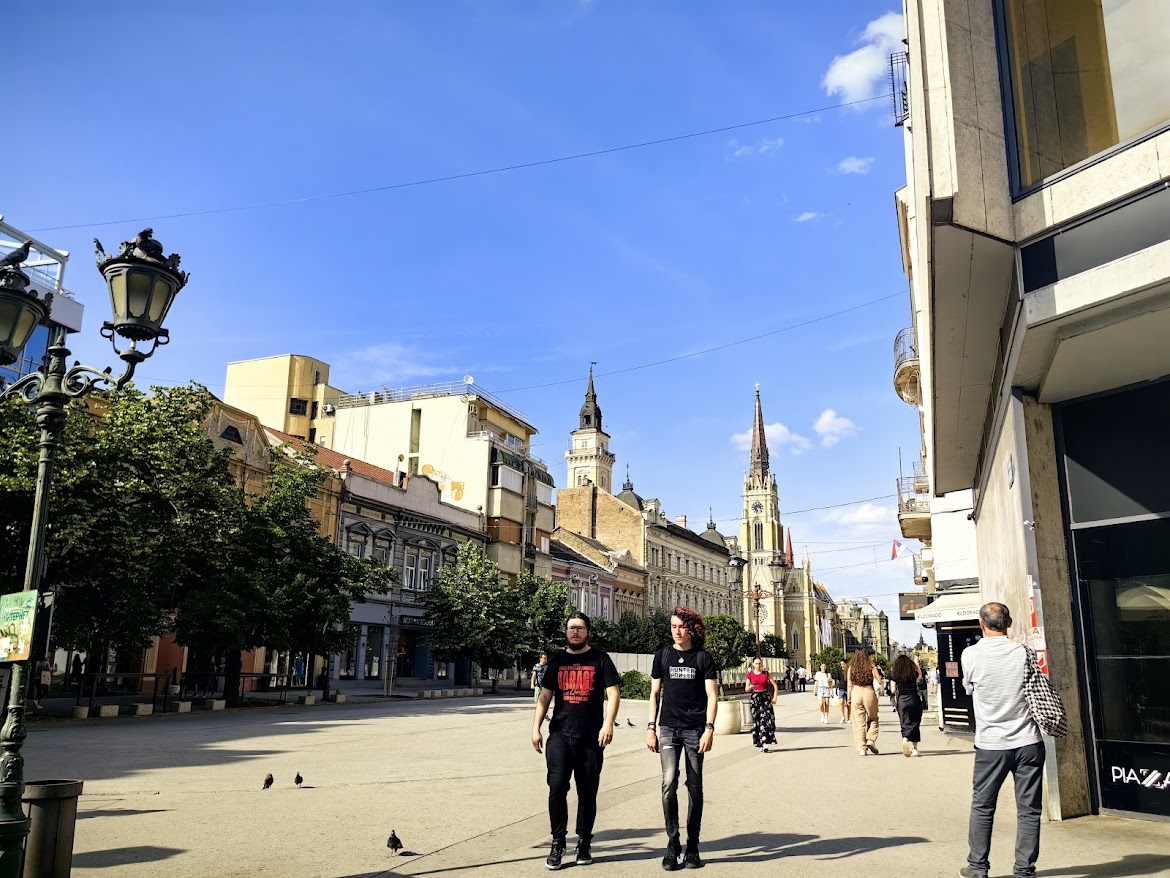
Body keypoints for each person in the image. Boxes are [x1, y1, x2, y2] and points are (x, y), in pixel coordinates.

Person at [959, 602, 1044, 878]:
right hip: (1028, 740)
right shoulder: (1024, 653)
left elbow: (969, 688)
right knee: (1029, 810)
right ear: (1008, 623)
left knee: (983, 806)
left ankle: (978, 867)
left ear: (981, 624)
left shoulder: (970, 655)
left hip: (991, 744)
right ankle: (1024, 871)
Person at [532, 612, 620, 871]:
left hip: (591, 738)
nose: (575, 632)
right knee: (557, 787)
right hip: (560, 734)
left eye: (580, 628)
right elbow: (545, 696)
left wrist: (608, 724)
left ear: (587, 632)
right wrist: (535, 728)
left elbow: (613, 693)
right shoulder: (558, 660)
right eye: (571, 628)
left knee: (587, 792)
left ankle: (584, 841)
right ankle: (558, 842)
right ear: (566, 632)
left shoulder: (600, 659)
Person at [647, 607, 718, 871]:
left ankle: (693, 846)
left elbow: (712, 695)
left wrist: (709, 728)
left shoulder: (703, 658)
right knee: (668, 782)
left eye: (682, 627)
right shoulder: (663, 655)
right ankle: (673, 842)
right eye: (673, 626)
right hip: (667, 728)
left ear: (692, 629)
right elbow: (655, 694)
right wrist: (650, 727)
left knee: (695, 786)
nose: (677, 631)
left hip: (695, 730)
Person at [889, 655, 924, 757]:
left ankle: (905, 738)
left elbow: (893, 690)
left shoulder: (895, 674)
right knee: (915, 722)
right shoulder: (912, 673)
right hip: (913, 698)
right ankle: (915, 749)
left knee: (904, 721)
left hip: (902, 700)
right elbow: (920, 677)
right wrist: (917, 664)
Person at [847, 650, 880, 756]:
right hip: (868, 691)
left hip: (856, 692)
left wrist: (849, 698)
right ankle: (870, 739)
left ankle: (862, 747)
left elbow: (849, 685)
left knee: (858, 722)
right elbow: (879, 681)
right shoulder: (871, 667)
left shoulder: (851, 668)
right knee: (873, 718)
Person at [743, 658, 778, 752]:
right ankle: (761, 743)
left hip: (765, 697)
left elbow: (775, 685)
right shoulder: (750, 674)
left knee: (765, 719)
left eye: (760, 663)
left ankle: (765, 743)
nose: (758, 665)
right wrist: (751, 686)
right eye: (756, 663)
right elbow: (746, 689)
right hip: (755, 698)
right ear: (753, 664)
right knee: (757, 720)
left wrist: (774, 698)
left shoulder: (766, 674)